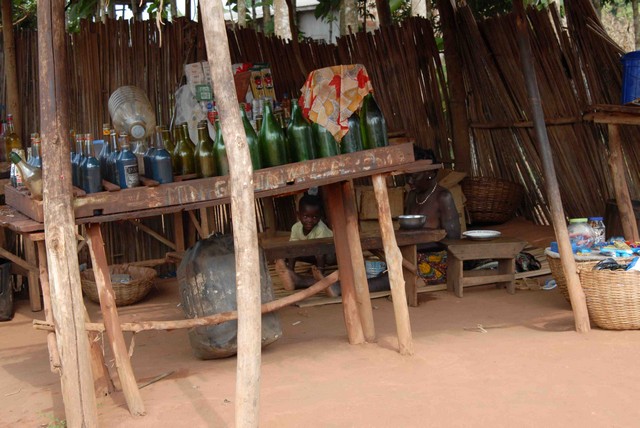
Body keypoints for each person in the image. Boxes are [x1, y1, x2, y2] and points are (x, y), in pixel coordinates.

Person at [405, 146, 461, 240]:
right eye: (407, 176)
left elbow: (453, 238)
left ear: (430, 173)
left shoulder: (443, 197)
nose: (409, 181)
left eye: (414, 176)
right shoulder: (412, 196)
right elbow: (405, 230)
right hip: (412, 249)